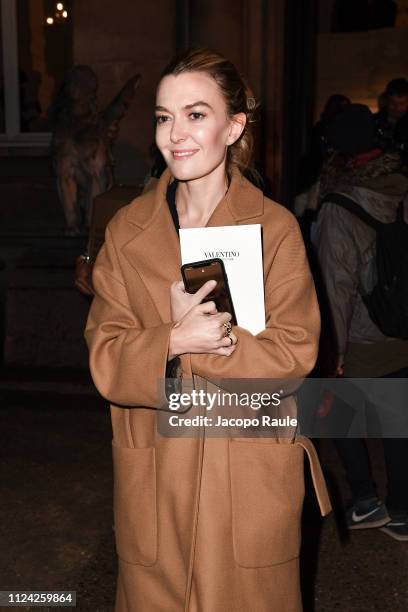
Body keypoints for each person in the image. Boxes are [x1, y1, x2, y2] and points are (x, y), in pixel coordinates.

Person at [85, 48, 331, 612]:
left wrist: (210, 345)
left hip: (242, 467)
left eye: (196, 115)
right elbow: (104, 352)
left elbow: (297, 352)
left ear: (234, 125)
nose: (176, 134)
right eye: (164, 117)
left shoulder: (274, 228)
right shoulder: (128, 231)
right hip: (156, 473)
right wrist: (170, 341)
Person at [316, 103, 408, 541]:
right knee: (398, 418)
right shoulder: (402, 184)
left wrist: (332, 350)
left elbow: (337, 283)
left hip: (363, 333)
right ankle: (403, 510)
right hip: (403, 325)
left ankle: (366, 500)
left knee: (332, 408)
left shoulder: (338, 206)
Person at [375, 77, 408, 152]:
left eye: (402, 103)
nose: (397, 108)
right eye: (393, 103)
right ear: (386, 100)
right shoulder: (374, 122)